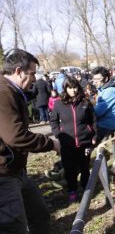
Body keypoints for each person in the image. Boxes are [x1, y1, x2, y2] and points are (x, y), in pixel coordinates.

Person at [0, 48, 60, 234]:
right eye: (32, 74)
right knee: (14, 228)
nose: (35, 79)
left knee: (39, 215)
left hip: (18, 171)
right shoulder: (3, 93)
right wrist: (51, 143)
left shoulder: (12, 91)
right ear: (18, 71)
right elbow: (15, 136)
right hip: (3, 174)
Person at [50, 76, 97, 203]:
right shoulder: (59, 104)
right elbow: (53, 121)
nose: (73, 90)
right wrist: (58, 134)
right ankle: (72, 190)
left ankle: (87, 190)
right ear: (65, 89)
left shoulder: (85, 103)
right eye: (70, 88)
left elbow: (93, 121)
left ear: (78, 87)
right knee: (70, 169)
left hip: (84, 142)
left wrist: (94, 135)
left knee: (84, 168)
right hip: (67, 144)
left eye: (75, 87)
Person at [91, 66, 115, 144]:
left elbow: (97, 113)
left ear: (105, 79)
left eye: (97, 80)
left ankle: (99, 153)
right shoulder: (104, 89)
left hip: (106, 125)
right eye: (93, 79)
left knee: (81, 135)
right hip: (103, 122)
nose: (94, 82)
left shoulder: (110, 91)